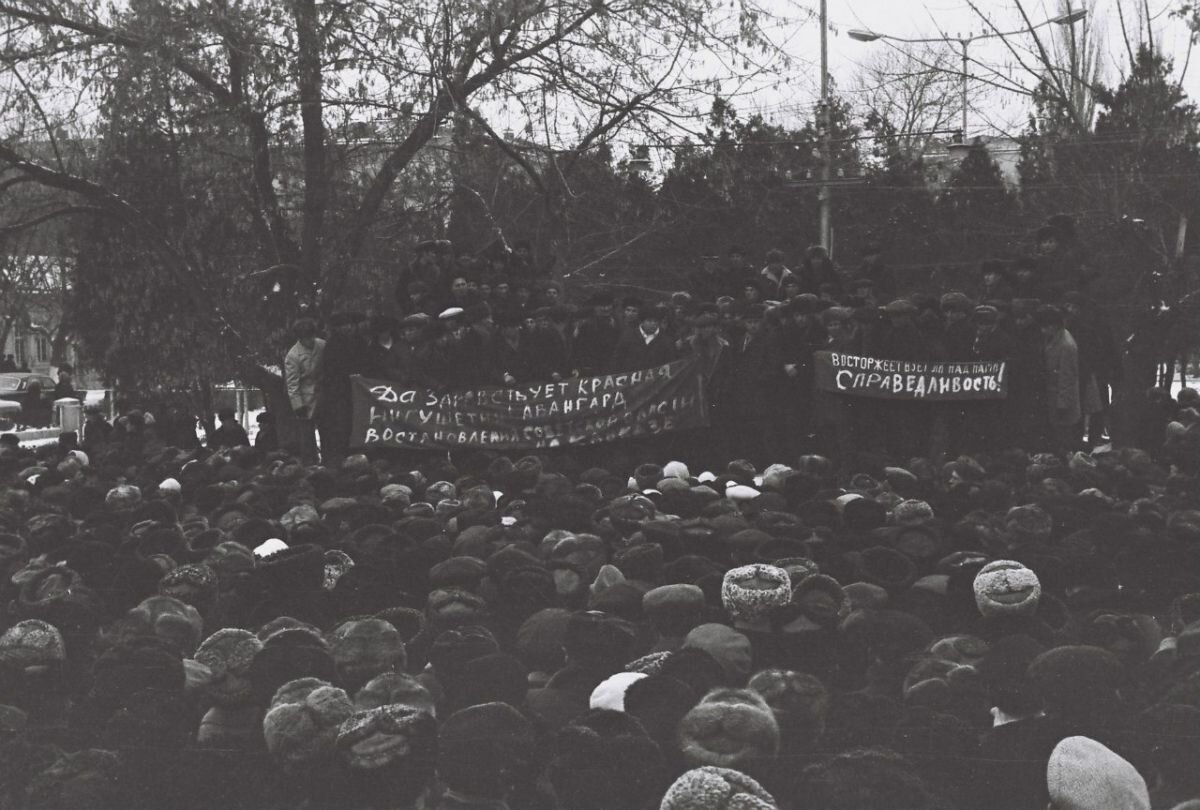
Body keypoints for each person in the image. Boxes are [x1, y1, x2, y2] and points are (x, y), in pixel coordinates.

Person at [1036, 304, 1082, 452]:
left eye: (1046, 326)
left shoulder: (1066, 346)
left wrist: (1063, 405)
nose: (1042, 330)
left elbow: (1067, 378)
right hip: (1052, 394)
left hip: (1061, 399)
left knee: (1062, 438)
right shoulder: (1054, 338)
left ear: (1054, 326)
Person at [284, 317, 325, 461]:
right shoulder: (293, 356)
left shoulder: (321, 345)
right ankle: (310, 465)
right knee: (307, 438)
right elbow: (292, 385)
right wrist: (298, 406)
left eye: (312, 336)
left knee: (328, 432)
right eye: (307, 338)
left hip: (324, 395)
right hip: (306, 398)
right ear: (300, 338)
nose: (311, 340)